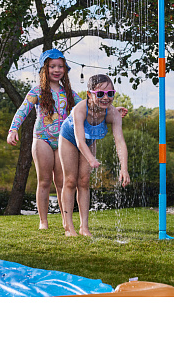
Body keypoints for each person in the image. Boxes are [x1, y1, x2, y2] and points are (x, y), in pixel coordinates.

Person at [7, 48, 81, 230]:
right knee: (44, 181)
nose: (57, 70)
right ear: (44, 69)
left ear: (65, 69)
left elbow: (87, 107)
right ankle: (43, 221)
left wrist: (110, 110)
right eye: (52, 66)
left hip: (63, 141)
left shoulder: (69, 93)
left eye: (60, 66)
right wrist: (13, 129)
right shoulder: (37, 91)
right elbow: (23, 110)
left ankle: (66, 220)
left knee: (62, 182)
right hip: (42, 139)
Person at [58, 74, 130, 237]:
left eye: (110, 93)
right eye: (100, 94)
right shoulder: (80, 109)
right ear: (89, 94)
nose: (106, 97)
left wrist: (124, 168)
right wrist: (91, 159)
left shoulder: (112, 113)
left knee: (84, 181)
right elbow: (79, 140)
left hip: (89, 141)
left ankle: (84, 227)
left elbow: (120, 142)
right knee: (70, 180)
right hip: (69, 139)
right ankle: (68, 227)